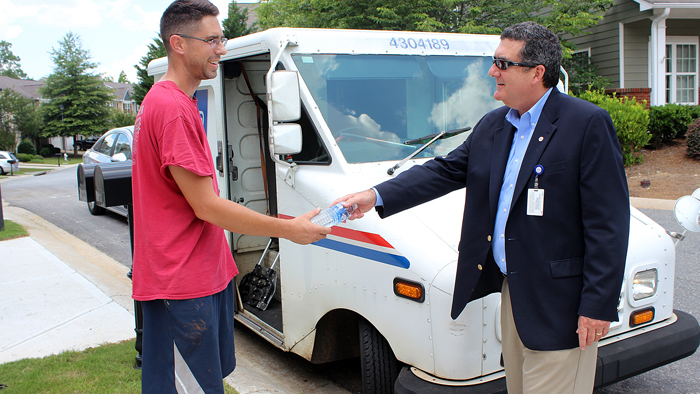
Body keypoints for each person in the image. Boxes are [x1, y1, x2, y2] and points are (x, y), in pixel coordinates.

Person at [337, 22, 629, 394]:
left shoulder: (586, 124)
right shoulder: (495, 124)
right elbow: (444, 170)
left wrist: (598, 305)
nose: (492, 71)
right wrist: (374, 195)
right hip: (515, 295)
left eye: (502, 64)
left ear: (537, 72)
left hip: (563, 306)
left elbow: (609, 225)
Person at [130, 1, 330, 393]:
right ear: (179, 43)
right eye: (212, 39)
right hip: (182, 284)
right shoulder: (171, 108)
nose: (221, 48)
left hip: (197, 278)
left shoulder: (171, 102)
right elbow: (206, 206)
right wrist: (290, 229)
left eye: (222, 39)